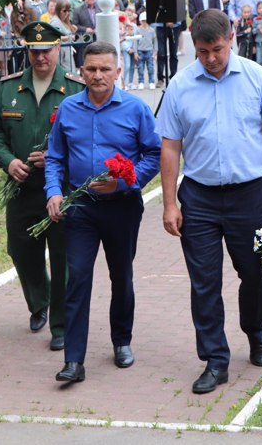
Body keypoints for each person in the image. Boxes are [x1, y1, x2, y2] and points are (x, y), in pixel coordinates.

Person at [156, 8, 262, 395]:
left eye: (218, 49)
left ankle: (255, 330)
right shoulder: (179, 86)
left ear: (232, 37)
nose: (210, 58)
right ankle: (215, 360)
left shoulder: (257, 78)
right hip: (200, 198)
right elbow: (171, 147)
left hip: (249, 195)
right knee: (204, 282)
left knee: (255, 274)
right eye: (203, 51)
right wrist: (170, 203)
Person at [44, 41, 161, 382]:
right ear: (81, 71)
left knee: (120, 275)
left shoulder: (136, 109)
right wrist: (53, 192)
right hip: (80, 207)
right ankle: (74, 360)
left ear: (118, 71)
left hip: (122, 208)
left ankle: (121, 340)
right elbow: (55, 157)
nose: (98, 75)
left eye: (105, 69)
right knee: (77, 277)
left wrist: (125, 183)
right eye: (91, 69)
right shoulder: (68, 109)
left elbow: (152, 155)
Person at [0, 21, 85, 352]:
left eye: (47, 50)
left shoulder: (74, 89)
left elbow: (86, 136)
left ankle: (60, 324)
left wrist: (59, 159)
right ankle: (38, 300)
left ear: (59, 48)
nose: (41, 57)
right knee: (21, 249)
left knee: (62, 257)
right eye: (34, 50)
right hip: (21, 186)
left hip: (61, 189)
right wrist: (7, 160)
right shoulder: (9, 88)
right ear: (26, 50)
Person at [135, 12, 157, 90]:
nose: (144, 22)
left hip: (149, 51)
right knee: (140, 68)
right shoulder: (138, 30)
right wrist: (135, 53)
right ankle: (141, 82)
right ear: (140, 21)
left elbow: (155, 42)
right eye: (142, 21)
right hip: (140, 51)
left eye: (145, 20)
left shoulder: (152, 30)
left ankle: (151, 82)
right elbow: (135, 42)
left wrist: (155, 53)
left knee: (150, 67)